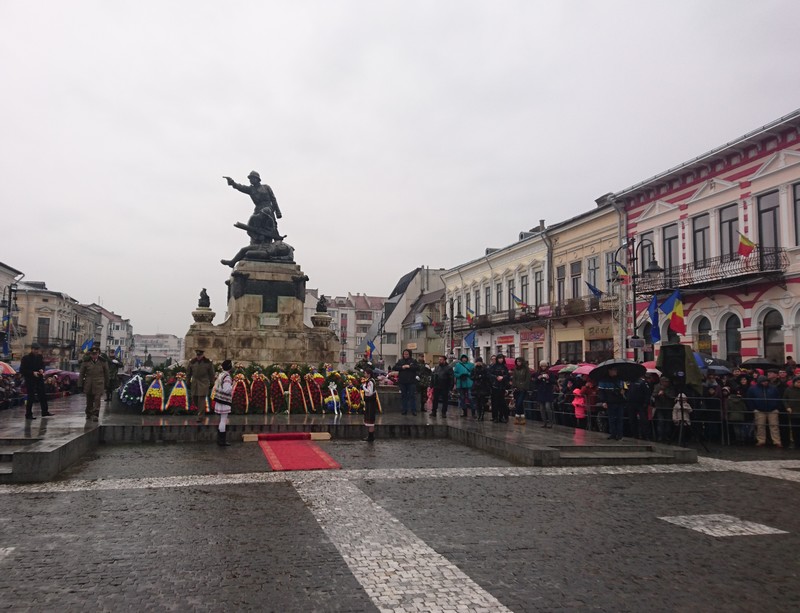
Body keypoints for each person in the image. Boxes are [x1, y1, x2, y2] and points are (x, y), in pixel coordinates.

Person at [745, 375, 782, 448]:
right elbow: (749, 399)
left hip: (772, 409)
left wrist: (777, 407)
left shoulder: (773, 388)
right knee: (760, 426)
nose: (765, 383)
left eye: (766, 381)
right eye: (764, 381)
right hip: (759, 410)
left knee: (774, 426)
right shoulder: (752, 389)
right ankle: (761, 440)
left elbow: (778, 398)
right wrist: (753, 409)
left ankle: (776, 441)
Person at [19, 342, 52, 420]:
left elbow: (42, 365)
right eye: (35, 349)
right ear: (32, 349)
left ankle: (45, 411)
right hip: (30, 379)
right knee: (31, 397)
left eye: (38, 349)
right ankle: (28, 414)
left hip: (39, 378)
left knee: (43, 395)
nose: (37, 351)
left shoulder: (40, 357)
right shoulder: (26, 358)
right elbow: (22, 370)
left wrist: (41, 370)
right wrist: (32, 373)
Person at [78, 346, 109, 422]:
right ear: (90, 354)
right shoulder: (86, 362)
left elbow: (106, 373)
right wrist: (80, 384)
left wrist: (107, 384)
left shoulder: (103, 362)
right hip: (89, 383)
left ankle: (95, 414)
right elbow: (81, 374)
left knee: (97, 399)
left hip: (99, 383)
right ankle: (89, 413)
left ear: (98, 354)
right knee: (89, 400)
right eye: (93, 354)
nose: (94, 355)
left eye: (96, 354)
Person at [597, 366, 626, 440]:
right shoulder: (604, 380)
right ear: (609, 371)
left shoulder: (620, 379)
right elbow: (601, 392)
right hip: (610, 402)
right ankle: (613, 433)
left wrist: (624, 392)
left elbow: (625, 389)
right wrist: (603, 401)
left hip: (619, 401)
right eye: (614, 370)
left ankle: (619, 434)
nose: (615, 371)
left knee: (619, 419)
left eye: (616, 370)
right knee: (611, 419)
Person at [187, 349, 216, 422]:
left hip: (203, 383)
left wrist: (212, 382)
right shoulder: (192, 362)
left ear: (203, 355)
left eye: (200, 355)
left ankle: (200, 417)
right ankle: (201, 410)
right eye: (197, 355)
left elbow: (211, 374)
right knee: (194, 398)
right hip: (194, 383)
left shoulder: (208, 362)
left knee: (201, 400)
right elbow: (188, 373)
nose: (198, 356)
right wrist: (187, 381)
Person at [392, 349, 420, 416]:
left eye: (407, 354)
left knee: (412, 396)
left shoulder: (413, 361)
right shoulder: (400, 361)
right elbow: (394, 367)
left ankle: (413, 410)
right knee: (403, 396)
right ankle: (404, 410)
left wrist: (409, 367)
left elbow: (417, 368)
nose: (405, 355)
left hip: (411, 382)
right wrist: (402, 367)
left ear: (409, 354)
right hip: (402, 382)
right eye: (404, 354)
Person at [626, 373, 652, 440]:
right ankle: (635, 434)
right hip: (631, 404)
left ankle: (645, 435)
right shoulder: (630, 383)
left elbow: (647, 393)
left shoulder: (642, 382)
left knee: (644, 420)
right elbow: (627, 392)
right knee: (632, 420)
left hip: (640, 404)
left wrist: (646, 403)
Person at [213, 360, 233, 446]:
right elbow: (226, 390)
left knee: (222, 420)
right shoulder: (227, 377)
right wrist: (233, 385)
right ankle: (222, 441)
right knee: (223, 420)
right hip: (224, 400)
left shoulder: (221, 374)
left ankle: (220, 439)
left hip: (219, 399)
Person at [487, 353, 510, 423]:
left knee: (502, 402)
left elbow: (507, 376)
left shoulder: (504, 367)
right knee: (494, 402)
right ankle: (495, 417)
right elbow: (489, 375)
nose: (501, 360)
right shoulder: (493, 367)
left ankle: (502, 416)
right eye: (499, 358)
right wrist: (496, 377)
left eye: (502, 358)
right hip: (495, 386)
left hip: (502, 387)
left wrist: (503, 377)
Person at [534, 361, 556, 428]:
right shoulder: (538, 373)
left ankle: (550, 422)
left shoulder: (550, 373)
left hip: (548, 392)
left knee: (548, 407)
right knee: (541, 408)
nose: (543, 367)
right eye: (542, 366)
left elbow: (553, 381)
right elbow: (535, 382)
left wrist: (548, 379)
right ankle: (544, 422)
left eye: (544, 366)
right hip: (541, 392)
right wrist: (538, 378)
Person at [511, 357, 531, 425]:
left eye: (519, 361)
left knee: (519, 402)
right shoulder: (515, 369)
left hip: (523, 389)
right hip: (517, 388)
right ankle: (521, 417)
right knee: (518, 403)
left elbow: (527, 379)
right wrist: (514, 386)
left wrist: (524, 387)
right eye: (517, 361)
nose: (518, 362)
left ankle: (517, 416)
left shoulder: (526, 369)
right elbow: (514, 378)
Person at [361, 367, 378, 442]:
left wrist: (363, 387)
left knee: (370, 419)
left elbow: (370, 392)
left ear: (369, 374)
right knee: (369, 419)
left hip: (371, 402)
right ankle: (370, 435)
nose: (364, 374)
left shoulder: (370, 382)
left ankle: (371, 436)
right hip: (369, 402)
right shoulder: (370, 381)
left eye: (365, 373)